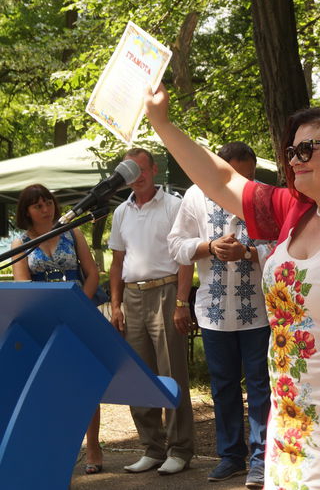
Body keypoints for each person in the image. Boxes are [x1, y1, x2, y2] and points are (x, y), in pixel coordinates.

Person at [144, 86, 320, 490]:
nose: (293, 159)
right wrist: (162, 123)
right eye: (291, 150)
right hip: (289, 419)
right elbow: (220, 178)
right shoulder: (294, 211)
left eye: (307, 149)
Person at [167, 142, 272, 487]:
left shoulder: (265, 197)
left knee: (260, 387)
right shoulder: (195, 196)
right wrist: (209, 247)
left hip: (258, 311)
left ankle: (261, 459)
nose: (244, 182)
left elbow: (283, 246)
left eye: (249, 175)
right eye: (236, 175)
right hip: (213, 311)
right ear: (219, 170)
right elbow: (176, 246)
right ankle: (231, 456)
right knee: (223, 387)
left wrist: (249, 253)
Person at [108, 148, 196, 475]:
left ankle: (180, 448)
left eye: (142, 170)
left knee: (171, 373)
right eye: (131, 172)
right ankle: (152, 446)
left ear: (155, 170)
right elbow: (117, 262)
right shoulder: (121, 213)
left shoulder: (174, 205)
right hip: (132, 296)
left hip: (167, 289)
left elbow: (185, 257)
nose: (138, 177)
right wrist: (115, 306)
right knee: (138, 375)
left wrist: (181, 302)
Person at [11, 184, 103, 475]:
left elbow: (92, 274)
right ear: (26, 211)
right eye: (37, 205)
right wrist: (49, 313)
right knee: (47, 384)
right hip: (44, 321)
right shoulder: (20, 243)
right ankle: (52, 445)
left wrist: (79, 307)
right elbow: (22, 283)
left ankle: (93, 446)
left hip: (78, 316)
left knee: (85, 380)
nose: (45, 209)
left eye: (48, 202)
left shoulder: (73, 233)